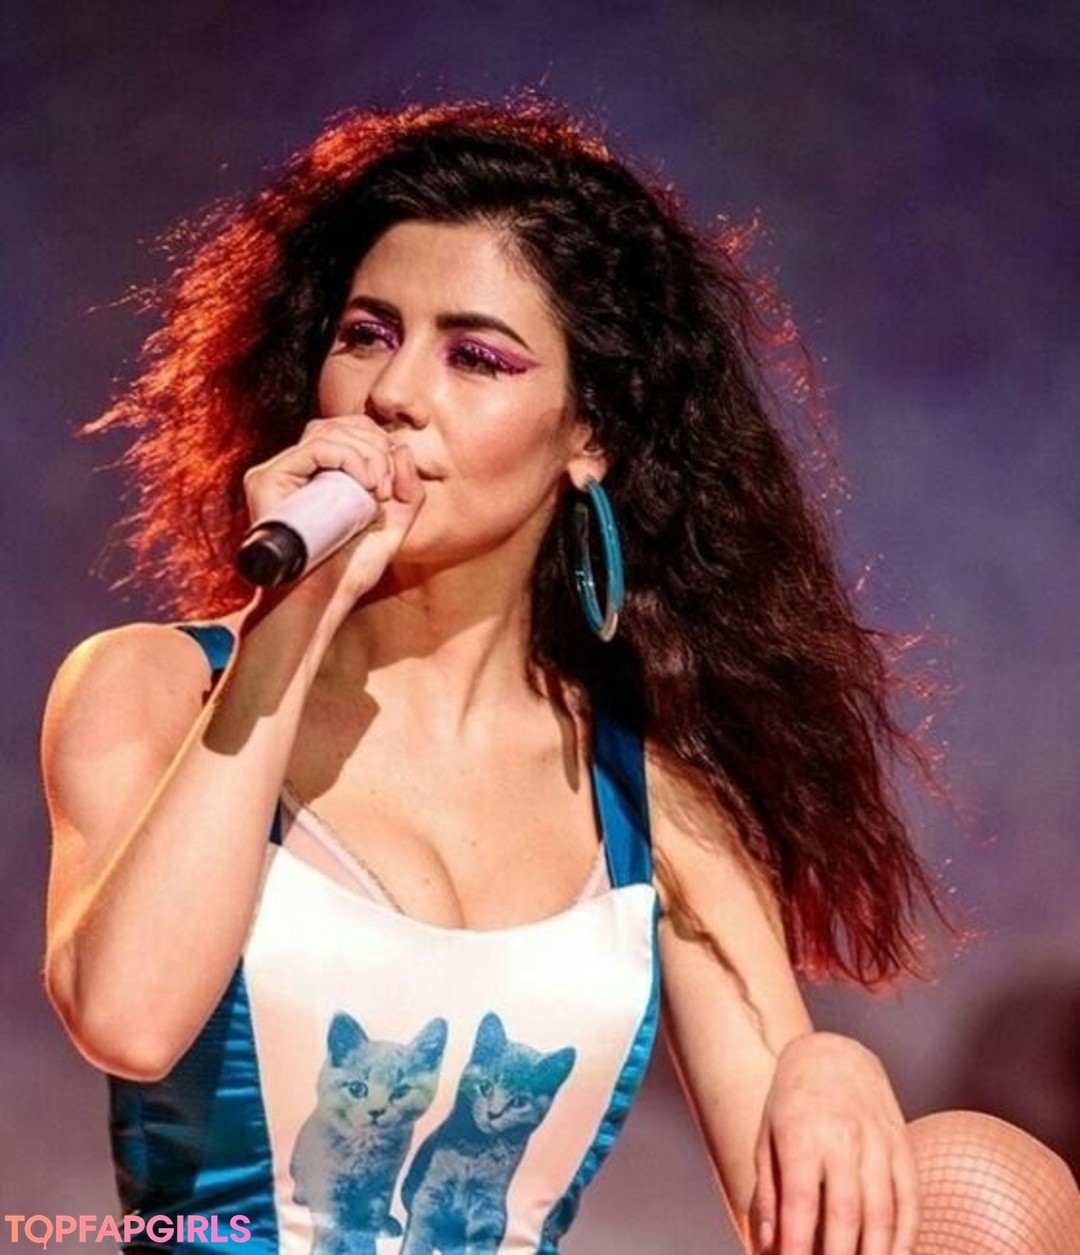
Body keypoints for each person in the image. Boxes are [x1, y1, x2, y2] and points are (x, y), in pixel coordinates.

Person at [41, 99, 1076, 1255]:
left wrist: (830, 1064)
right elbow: (128, 1018)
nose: (395, 393)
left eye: (476, 357)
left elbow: (802, 1212)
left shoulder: (655, 802)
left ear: (590, 436)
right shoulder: (154, 685)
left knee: (989, 1179)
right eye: (367, 334)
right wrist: (287, 627)